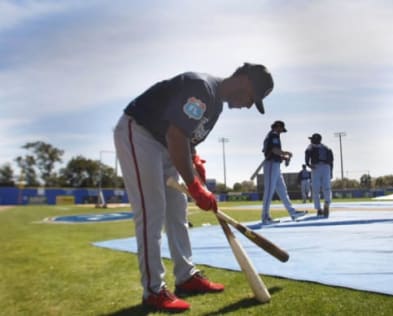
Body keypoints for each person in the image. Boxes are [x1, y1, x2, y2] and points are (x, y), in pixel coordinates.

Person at [113, 63, 274, 312]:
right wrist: (195, 186)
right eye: (253, 99)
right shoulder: (202, 88)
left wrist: (195, 160)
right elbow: (176, 135)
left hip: (164, 145)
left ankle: (186, 277)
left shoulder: (216, 105)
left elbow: (186, 139)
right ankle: (154, 290)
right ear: (246, 83)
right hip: (140, 133)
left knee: (177, 214)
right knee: (151, 213)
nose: (248, 105)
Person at [261, 120, 307, 224]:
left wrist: (283, 157)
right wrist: (286, 153)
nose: (282, 131)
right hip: (271, 164)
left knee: (283, 190)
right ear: (277, 127)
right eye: (281, 129)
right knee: (269, 191)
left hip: (275, 164)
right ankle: (265, 216)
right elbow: (274, 150)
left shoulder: (271, 136)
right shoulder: (273, 135)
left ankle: (292, 212)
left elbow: (272, 151)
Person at [305, 133, 334, 217]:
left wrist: (308, 164)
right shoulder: (326, 147)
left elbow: (307, 155)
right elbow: (331, 161)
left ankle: (319, 209)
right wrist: (331, 172)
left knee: (315, 189)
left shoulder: (310, 147)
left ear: (314, 140)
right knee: (326, 187)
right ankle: (327, 204)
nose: (310, 141)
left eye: (312, 139)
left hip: (316, 167)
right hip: (326, 167)